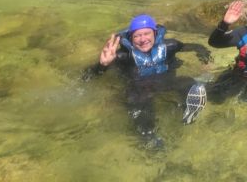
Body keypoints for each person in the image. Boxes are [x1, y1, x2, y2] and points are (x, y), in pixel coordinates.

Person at [85, 14, 212, 146]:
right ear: (130, 38)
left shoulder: (170, 46)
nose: (142, 39)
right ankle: (148, 136)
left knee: (189, 83)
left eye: (147, 33)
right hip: (140, 89)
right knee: (139, 101)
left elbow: (197, 47)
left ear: (155, 34)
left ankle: (187, 112)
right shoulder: (124, 56)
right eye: (137, 36)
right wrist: (102, 65)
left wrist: (206, 61)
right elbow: (88, 76)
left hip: (166, 82)